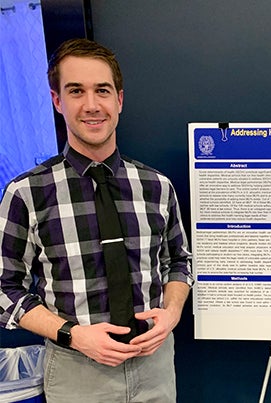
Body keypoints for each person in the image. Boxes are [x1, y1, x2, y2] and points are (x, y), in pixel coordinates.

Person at [0, 38, 193, 402]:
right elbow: (4, 287)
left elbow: (179, 261)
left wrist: (171, 313)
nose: (91, 105)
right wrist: (72, 334)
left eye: (102, 90)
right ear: (58, 101)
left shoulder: (156, 187)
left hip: (155, 366)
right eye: (76, 91)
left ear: (119, 100)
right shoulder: (27, 193)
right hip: (77, 371)